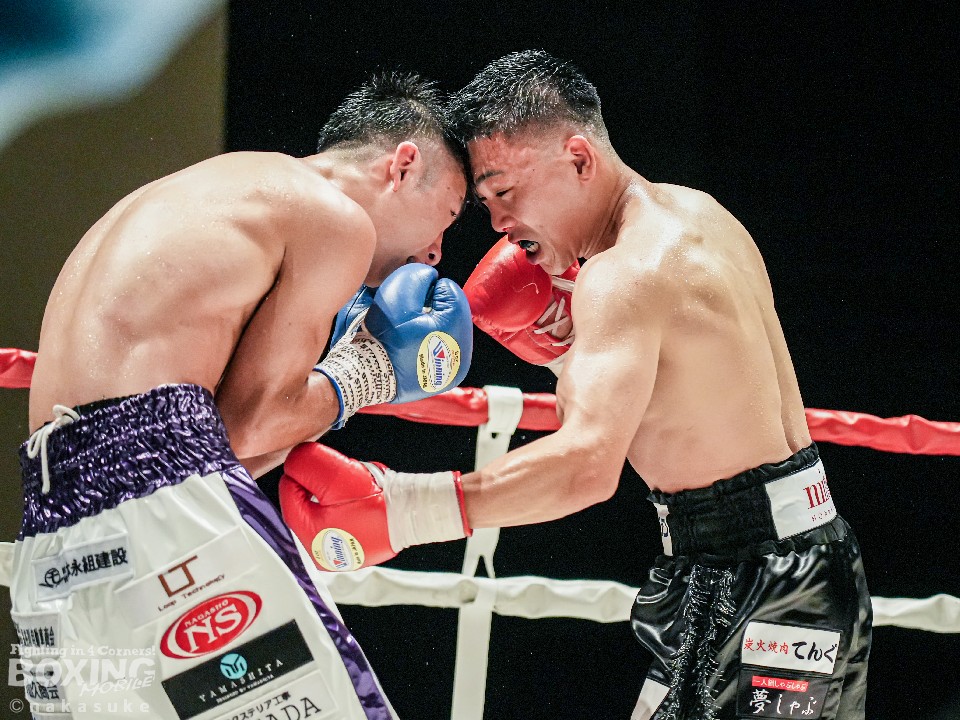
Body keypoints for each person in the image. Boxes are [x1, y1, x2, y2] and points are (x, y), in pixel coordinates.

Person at [279, 51, 871, 719]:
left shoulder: (621, 276)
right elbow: (680, 404)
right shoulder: (698, 214)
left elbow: (588, 465)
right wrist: (563, 354)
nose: (499, 224)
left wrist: (408, 508)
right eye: (486, 204)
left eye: (505, 191)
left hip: (757, 579)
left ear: (580, 159)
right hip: (789, 561)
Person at [12, 72, 473, 719]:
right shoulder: (334, 218)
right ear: (402, 165)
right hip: (169, 522)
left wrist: (323, 390)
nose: (436, 252)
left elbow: (221, 440)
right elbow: (250, 427)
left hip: (50, 534)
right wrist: (365, 374)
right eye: (446, 215)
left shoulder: (213, 187)